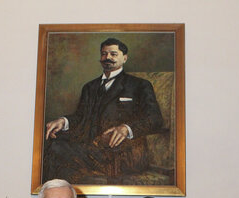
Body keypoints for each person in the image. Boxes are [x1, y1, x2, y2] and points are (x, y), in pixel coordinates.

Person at [43, 38, 164, 184]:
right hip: (92, 149)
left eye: (113, 54)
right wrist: (64, 121)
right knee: (55, 143)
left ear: (124, 58)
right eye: (104, 54)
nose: (107, 58)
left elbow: (155, 118)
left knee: (60, 150)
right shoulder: (90, 87)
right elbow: (81, 117)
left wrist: (127, 129)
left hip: (125, 152)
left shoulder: (139, 85)